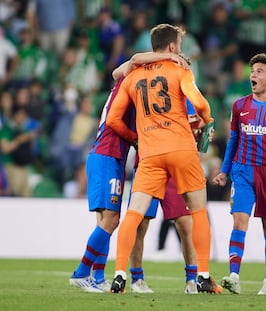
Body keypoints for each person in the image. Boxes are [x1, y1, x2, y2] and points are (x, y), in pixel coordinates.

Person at [105, 24, 213, 294]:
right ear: (173, 47)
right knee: (193, 216)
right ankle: (199, 276)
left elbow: (113, 117)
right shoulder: (180, 71)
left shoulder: (132, 75)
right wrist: (205, 122)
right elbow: (199, 104)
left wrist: (135, 139)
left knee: (135, 217)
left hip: (149, 153)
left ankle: (121, 274)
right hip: (179, 151)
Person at [68, 51, 188, 293]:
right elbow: (129, 67)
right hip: (107, 155)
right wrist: (136, 139)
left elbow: (117, 71)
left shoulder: (130, 86)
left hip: (112, 158)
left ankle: (98, 276)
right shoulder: (131, 83)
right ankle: (81, 273)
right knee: (111, 220)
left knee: (106, 219)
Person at [213, 53, 266, 295]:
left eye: (259, 71)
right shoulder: (239, 105)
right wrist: (224, 171)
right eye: (253, 71)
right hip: (243, 170)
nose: (253, 75)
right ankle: (234, 276)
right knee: (239, 220)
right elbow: (233, 140)